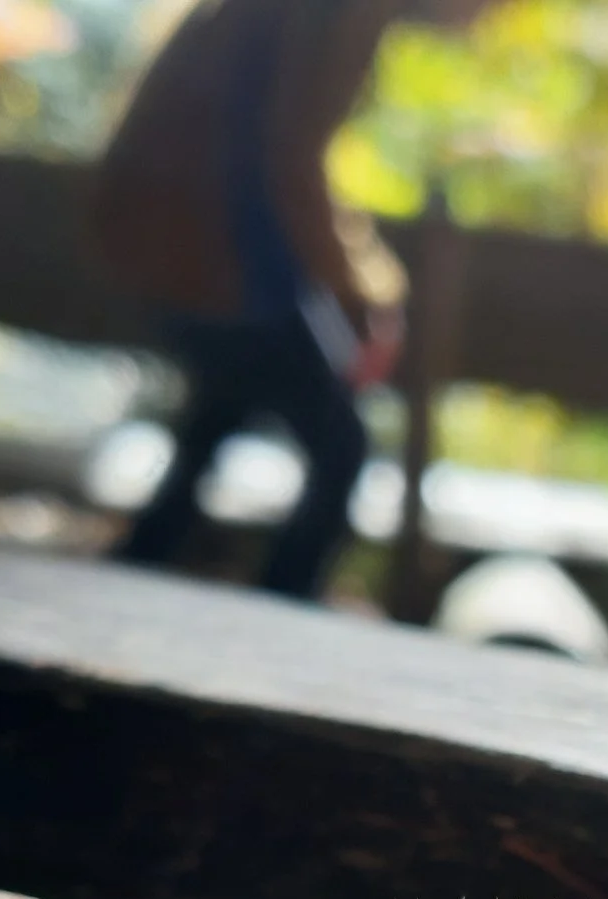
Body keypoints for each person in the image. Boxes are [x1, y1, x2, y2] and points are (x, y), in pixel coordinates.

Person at [89, 0, 484, 598]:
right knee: (341, 447)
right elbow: (293, 165)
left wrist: (361, 280)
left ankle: (139, 565)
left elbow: (290, 161)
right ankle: (284, 612)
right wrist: (363, 292)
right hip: (209, 252)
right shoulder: (335, 15)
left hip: (176, 242)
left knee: (223, 411)